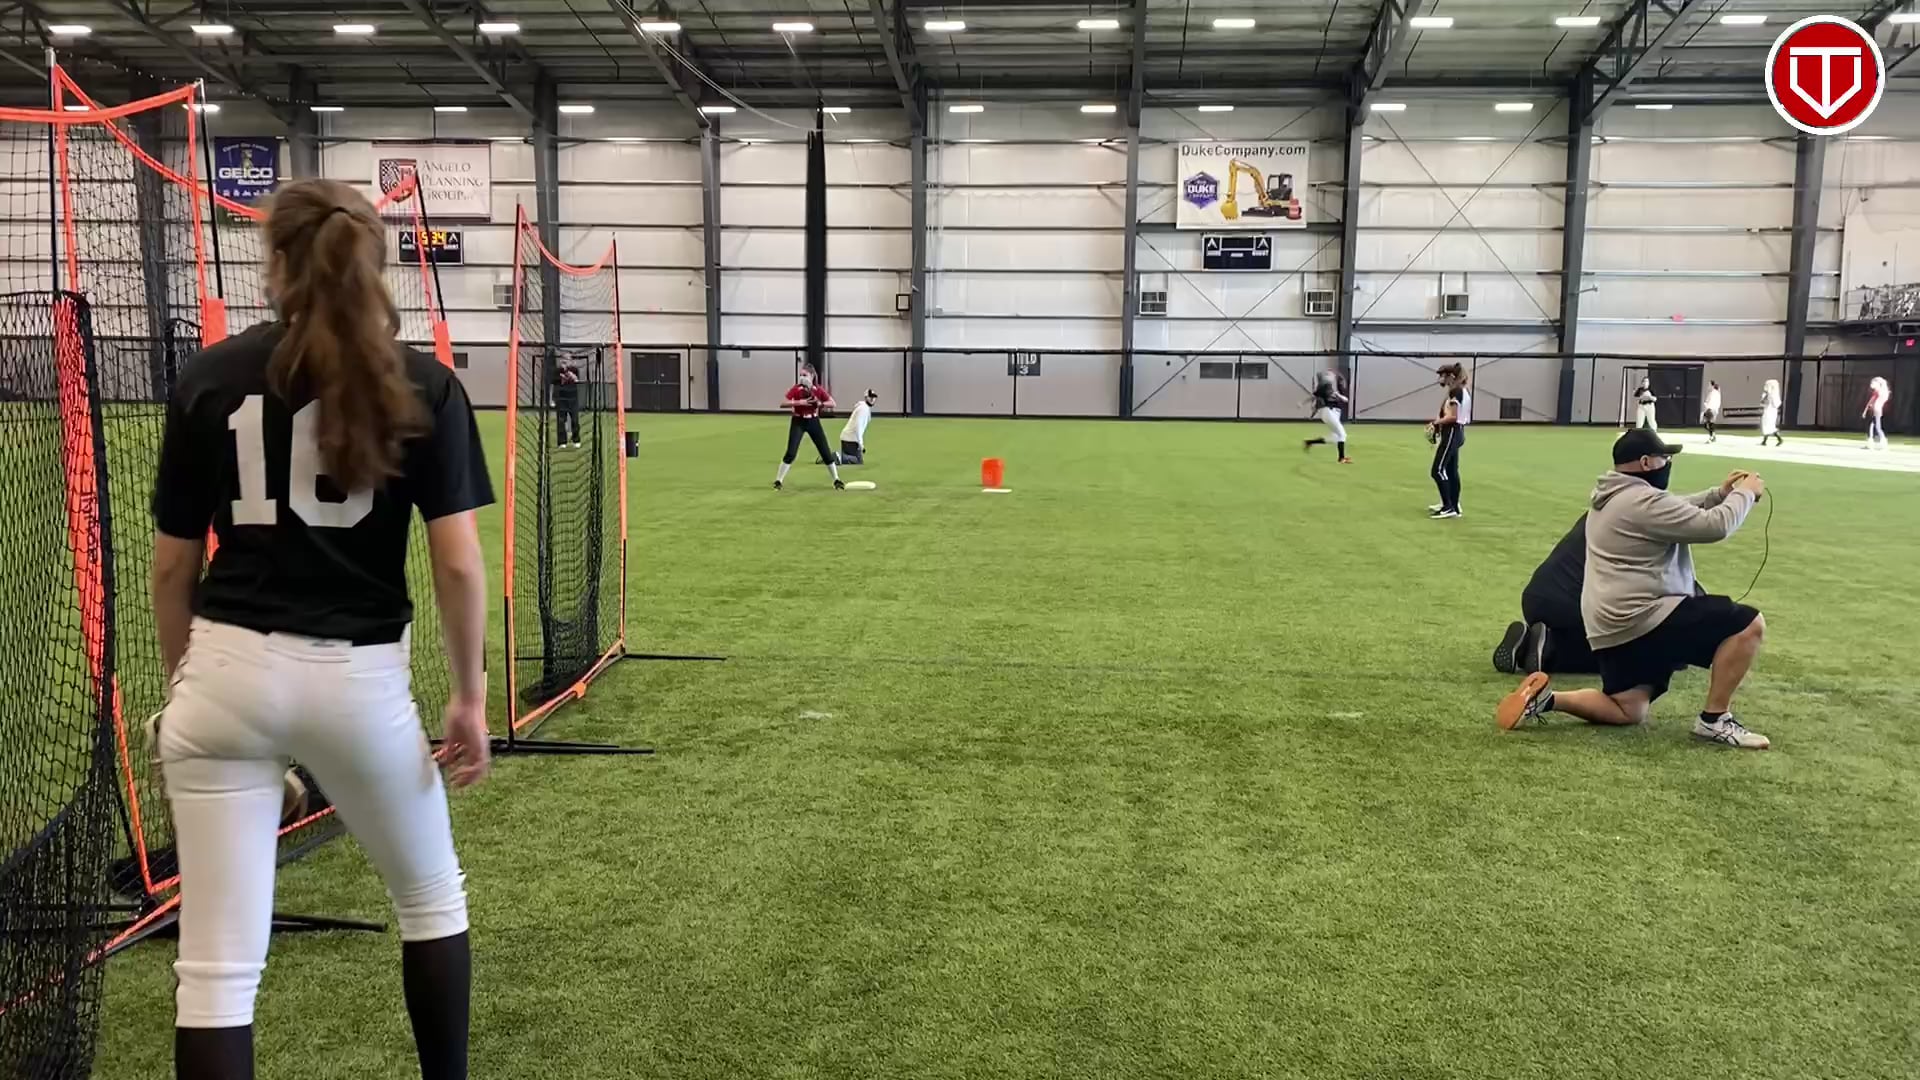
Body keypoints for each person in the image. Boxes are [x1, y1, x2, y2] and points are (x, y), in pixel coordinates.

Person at [148, 178, 492, 1079]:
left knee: (216, 975)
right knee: (430, 898)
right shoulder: (423, 383)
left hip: (225, 667)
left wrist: (186, 688)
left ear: (277, 264)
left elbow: (173, 570)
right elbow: (458, 564)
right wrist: (469, 695)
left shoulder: (209, 377)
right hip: (358, 682)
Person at [1495, 429, 1770, 749]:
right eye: (1664, 458)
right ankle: (1715, 720)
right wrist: (1745, 494)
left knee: (1627, 708)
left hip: (1610, 626)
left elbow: (1675, 507)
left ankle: (1546, 700)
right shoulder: (1641, 501)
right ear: (1646, 462)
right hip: (1642, 617)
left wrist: (1718, 494)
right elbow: (1715, 526)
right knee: (1748, 624)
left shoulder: (1613, 496)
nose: (1668, 464)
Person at [1492, 512, 1709, 677]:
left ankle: (1527, 643)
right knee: (1647, 656)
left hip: (1537, 595)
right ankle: (1551, 649)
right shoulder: (1642, 524)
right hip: (1570, 604)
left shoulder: (1605, 510)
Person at [776, 366, 843, 490]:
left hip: (813, 421)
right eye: (801, 375)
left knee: (825, 451)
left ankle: (836, 480)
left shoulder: (817, 389)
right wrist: (799, 402)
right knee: (791, 452)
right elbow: (782, 403)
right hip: (798, 421)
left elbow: (832, 403)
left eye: (805, 375)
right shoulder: (796, 389)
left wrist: (820, 404)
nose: (802, 377)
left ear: (812, 376)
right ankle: (778, 481)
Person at [1426, 363, 1469, 519]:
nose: (1440, 379)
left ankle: (1448, 506)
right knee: (1451, 471)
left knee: (1437, 470)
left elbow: (1453, 417)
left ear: (1451, 376)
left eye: (1443, 375)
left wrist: (1436, 423)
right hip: (1456, 432)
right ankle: (1454, 504)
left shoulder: (1456, 392)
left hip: (1452, 432)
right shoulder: (1461, 390)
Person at [1302, 369, 1353, 464]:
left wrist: (1338, 395)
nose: (1332, 376)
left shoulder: (1332, 388)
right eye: (1329, 375)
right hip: (1329, 412)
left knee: (1335, 437)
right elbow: (1313, 397)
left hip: (1333, 414)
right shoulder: (1324, 387)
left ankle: (1310, 442)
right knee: (1342, 435)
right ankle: (1341, 458)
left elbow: (1345, 399)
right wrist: (1302, 404)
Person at [832, 388, 878, 466]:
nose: (872, 399)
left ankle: (837, 457)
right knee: (857, 461)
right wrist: (861, 443)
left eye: (874, 397)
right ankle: (836, 456)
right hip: (850, 439)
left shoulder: (864, 408)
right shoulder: (863, 409)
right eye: (870, 397)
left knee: (856, 460)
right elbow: (858, 427)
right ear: (866, 397)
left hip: (849, 438)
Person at [553, 353, 582, 449]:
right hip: (561, 399)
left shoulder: (575, 370)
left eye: (567, 359)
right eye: (563, 359)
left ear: (571, 361)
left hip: (573, 399)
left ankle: (576, 440)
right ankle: (562, 442)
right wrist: (562, 377)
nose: (565, 361)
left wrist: (571, 375)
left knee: (575, 420)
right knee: (561, 421)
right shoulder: (557, 371)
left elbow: (577, 380)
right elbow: (554, 382)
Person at [1864, 375, 1890, 450]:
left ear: (1878, 384)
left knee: (1878, 428)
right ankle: (1870, 443)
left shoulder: (1881, 392)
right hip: (1874, 411)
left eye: (1873, 383)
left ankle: (1884, 444)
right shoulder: (1876, 392)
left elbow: (1878, 402)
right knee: (1871, 426)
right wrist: (1866, 410)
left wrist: (1874, 408)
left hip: (1877, 411)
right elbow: (1871, 401)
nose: (1871, 384)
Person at [1758, 378, 1782, 447]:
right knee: (1768, 425)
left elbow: (1763, 401)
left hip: (1769, 410)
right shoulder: (1775, 396)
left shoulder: (1770, 395)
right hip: (1772, 411)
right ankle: (1764, 441)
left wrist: (1763, 399)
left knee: (1768, 425)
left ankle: (1779, 439)